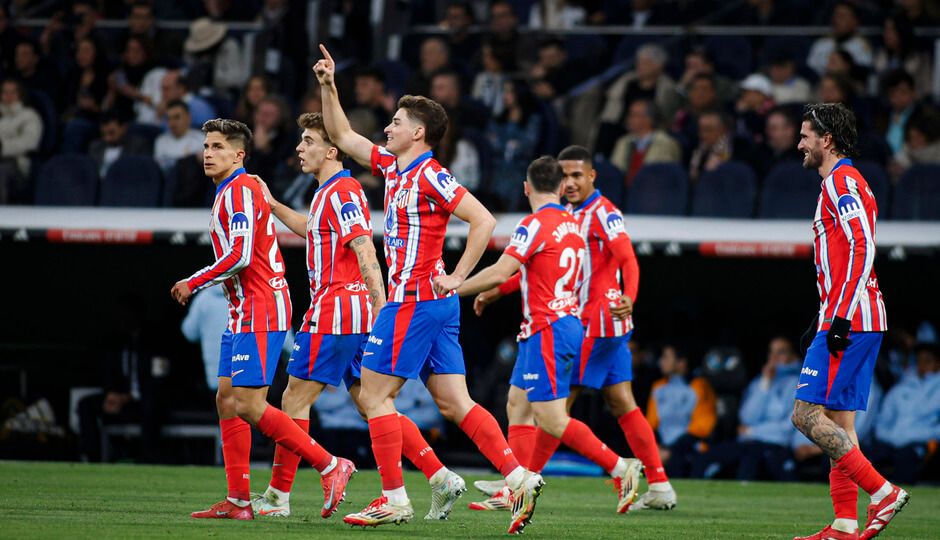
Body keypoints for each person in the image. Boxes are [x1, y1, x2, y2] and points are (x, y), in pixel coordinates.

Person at [313, 44, 543, 534]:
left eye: (396, 121)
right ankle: (519, 476)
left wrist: (460, 275)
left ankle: (394, 498)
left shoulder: (431, 174)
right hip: (434, 307)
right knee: (454, 403)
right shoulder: (395, 168)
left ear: (418, 133)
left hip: (413, 301)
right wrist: (330, 86)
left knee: (373, 398)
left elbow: (483, 220)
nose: (387, 127)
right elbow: (342, 135)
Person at [249, 111, 467, 520]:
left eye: (309, 141)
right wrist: (275, 205)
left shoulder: (343, 191)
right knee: (373, 404)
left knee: (294, 398)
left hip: (336, 310)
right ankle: (438, 476)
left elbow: (365, 247)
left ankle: (283, 495)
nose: (300, 148)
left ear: (332, 150)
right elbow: (313, 229)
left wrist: (381, 303)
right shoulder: (328, 192)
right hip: (355, 313)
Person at [170, 118, 355, 521]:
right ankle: (238, 501)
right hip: (242, 311)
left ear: (239, 155)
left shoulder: (238, 191)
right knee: (225, 398)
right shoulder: (229, 192)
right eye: (206, 146)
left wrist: (194, 280)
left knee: (251, 405)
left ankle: (329, 465)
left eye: (217, 147)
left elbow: (240, 254)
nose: (207, 153)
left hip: (261, 307)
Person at [458, 155, 643, 513]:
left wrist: (453, 286)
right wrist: (497, 290)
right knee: (517, 404)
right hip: (556, 325)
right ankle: (519, 484)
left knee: (552, 418)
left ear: (526, 188)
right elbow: (533, 271)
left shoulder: (533, 224)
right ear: (561, 187)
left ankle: (622, 467)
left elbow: (501, 270)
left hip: (549, 328)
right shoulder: (574, 225)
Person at [791, 102, 908, 540]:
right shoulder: (841, 183)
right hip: (852, 315)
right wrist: (824, 313)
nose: (798, 143)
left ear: (827, 140)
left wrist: (837, 318)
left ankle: (882, 492)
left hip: (852, 320)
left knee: (805, 415)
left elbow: (862, 247)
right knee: (840, 424)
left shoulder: (843, 181)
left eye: (805, 135)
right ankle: (844, 523)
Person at [609, 99, 681, 187]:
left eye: (634, 115)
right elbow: (613, 174)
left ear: (648, 119)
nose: (628, 119)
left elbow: (665, 178)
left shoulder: (667, 144)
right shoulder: (623, 142)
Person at [0, 78, 43, 204]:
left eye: (13, 92)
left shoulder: (29, 116)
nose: (8, 96)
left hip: (18, 166)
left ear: (21, 94)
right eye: (4, 92)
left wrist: (2, 148)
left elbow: (30, 142)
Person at [180, 285, 229, 391]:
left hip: (216, 377)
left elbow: (189, 332)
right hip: (246, 375)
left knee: (219, 405)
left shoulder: (203, 299)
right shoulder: (247, 295)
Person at [153, 99, 204, 172]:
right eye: (169, 118)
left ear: (188, 118)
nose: (172, 123)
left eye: (177, 117)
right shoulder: (161, 141)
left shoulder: (201, 139)